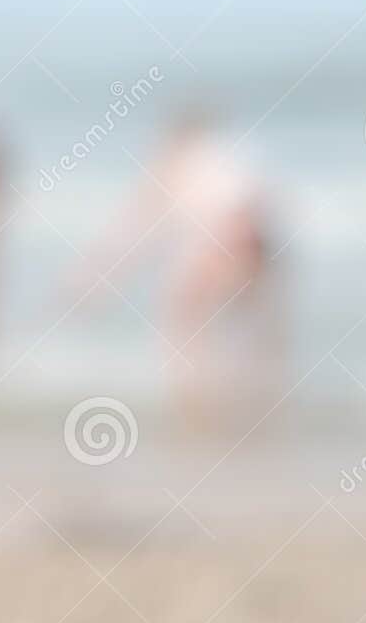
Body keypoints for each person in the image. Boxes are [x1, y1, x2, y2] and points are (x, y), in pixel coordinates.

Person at [74, 111, 283, 429]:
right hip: (260, 242)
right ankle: (261, 408)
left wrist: (92, 283)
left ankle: (193, 410)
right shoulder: (234, 152)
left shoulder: (174, 164)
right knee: (260, 337)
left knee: (182, 329)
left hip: (220, 239)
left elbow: (136, 232)